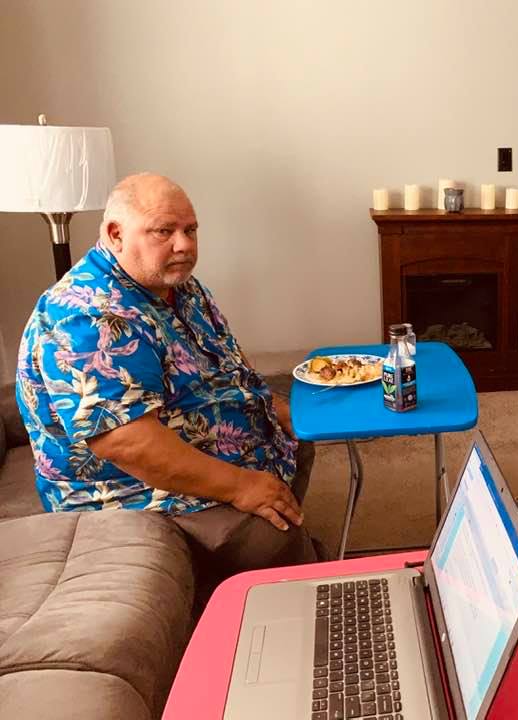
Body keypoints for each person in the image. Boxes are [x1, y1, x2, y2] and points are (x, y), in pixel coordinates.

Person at [15, 173, 319, 588]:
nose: (185, 245)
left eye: (190, 230)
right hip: (128, 489)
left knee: (301, 440)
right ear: (115, 234)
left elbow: (225, 362)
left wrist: (273, 407)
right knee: (269, 542)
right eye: (164, 231)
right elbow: (128, 444)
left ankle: (295, 554)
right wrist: (240, 486)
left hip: (205, 444)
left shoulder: (177, 286)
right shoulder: (90, 317)